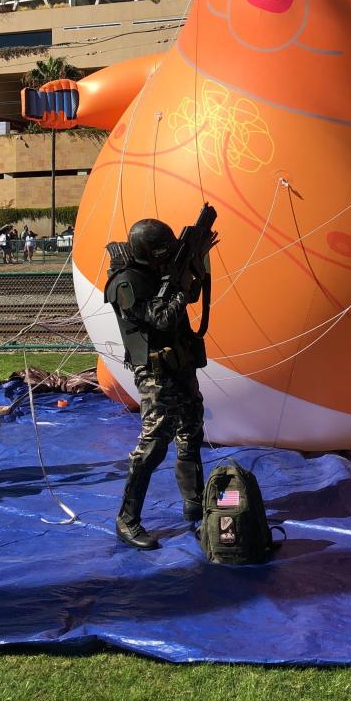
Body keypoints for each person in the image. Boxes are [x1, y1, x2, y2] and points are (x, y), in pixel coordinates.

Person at [105, 218, 209, 550]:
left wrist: (196, 267)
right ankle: (127, 519)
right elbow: (162, 317)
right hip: (154, 373)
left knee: (191, 430)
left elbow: (188, 298)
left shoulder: (156, 270)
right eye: (162, 253)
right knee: (152, 446)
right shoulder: (126, 283)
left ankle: (195, 503)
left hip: (179, 364)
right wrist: (178, 283)